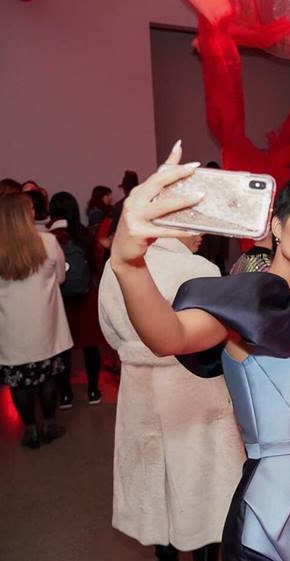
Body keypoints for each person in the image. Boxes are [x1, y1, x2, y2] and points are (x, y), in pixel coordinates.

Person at [108, 141, 290, 561]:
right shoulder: (253, 297)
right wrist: (128, 264)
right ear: (276, 225)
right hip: (274, 506)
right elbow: (171, 336)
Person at [99, 233, 243, 561]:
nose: (201, 233)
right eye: (192, 223)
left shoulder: (117, 266)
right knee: (204, 494)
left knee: (153, 489)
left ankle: (164, 553)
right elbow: (218, 335)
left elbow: (110, 332)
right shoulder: (200, 269)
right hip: (193, 390)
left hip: (140, 391)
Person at [0, 193, 72, 448]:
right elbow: (61, 277)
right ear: (26, 214)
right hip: (43, 325)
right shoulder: (47, 242)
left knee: (18, 383)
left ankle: (30, 429)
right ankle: (49, 424)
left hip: (7, 329)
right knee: (47, 378)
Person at [48, 192, 103, 407]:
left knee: (63, 349)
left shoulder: (47, 238)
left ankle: (65, 395)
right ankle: (93, 391)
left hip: (58, 300)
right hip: (85, 298)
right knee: (91, 347)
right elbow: (97, 265)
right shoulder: (84, 235)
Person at [110, 170, 140, 235]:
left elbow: (113, 229)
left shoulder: (118, 205)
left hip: (123, 237)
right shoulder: (144, 202)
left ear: (124, 189)